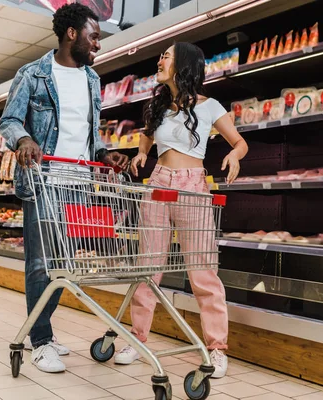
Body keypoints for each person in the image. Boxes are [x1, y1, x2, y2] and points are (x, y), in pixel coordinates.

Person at [0, 3, 128, 373]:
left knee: (63, 265)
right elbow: (8, 121)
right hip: (44, 181)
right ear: (72, 34)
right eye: (94, 36)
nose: (97, 45)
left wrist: (105, 153)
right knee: (40, 265)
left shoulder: (92, 79)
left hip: (79, 184)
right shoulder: (34, 74)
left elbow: (91, 134)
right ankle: (40, 341)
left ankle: (44, 331)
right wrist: (23, 139)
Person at [113, 42, 248, 379]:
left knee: (203, 272)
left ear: (183, 65)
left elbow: (239, 142)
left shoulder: (210, 105)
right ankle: (137, 339)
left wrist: (234, 156)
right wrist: (143, 153)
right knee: (148, 268)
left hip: (192, 186)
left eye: (166, 56)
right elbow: (147, 137)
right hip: (158, 183)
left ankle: (216, 349)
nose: (159, 60)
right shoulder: (156, 106)